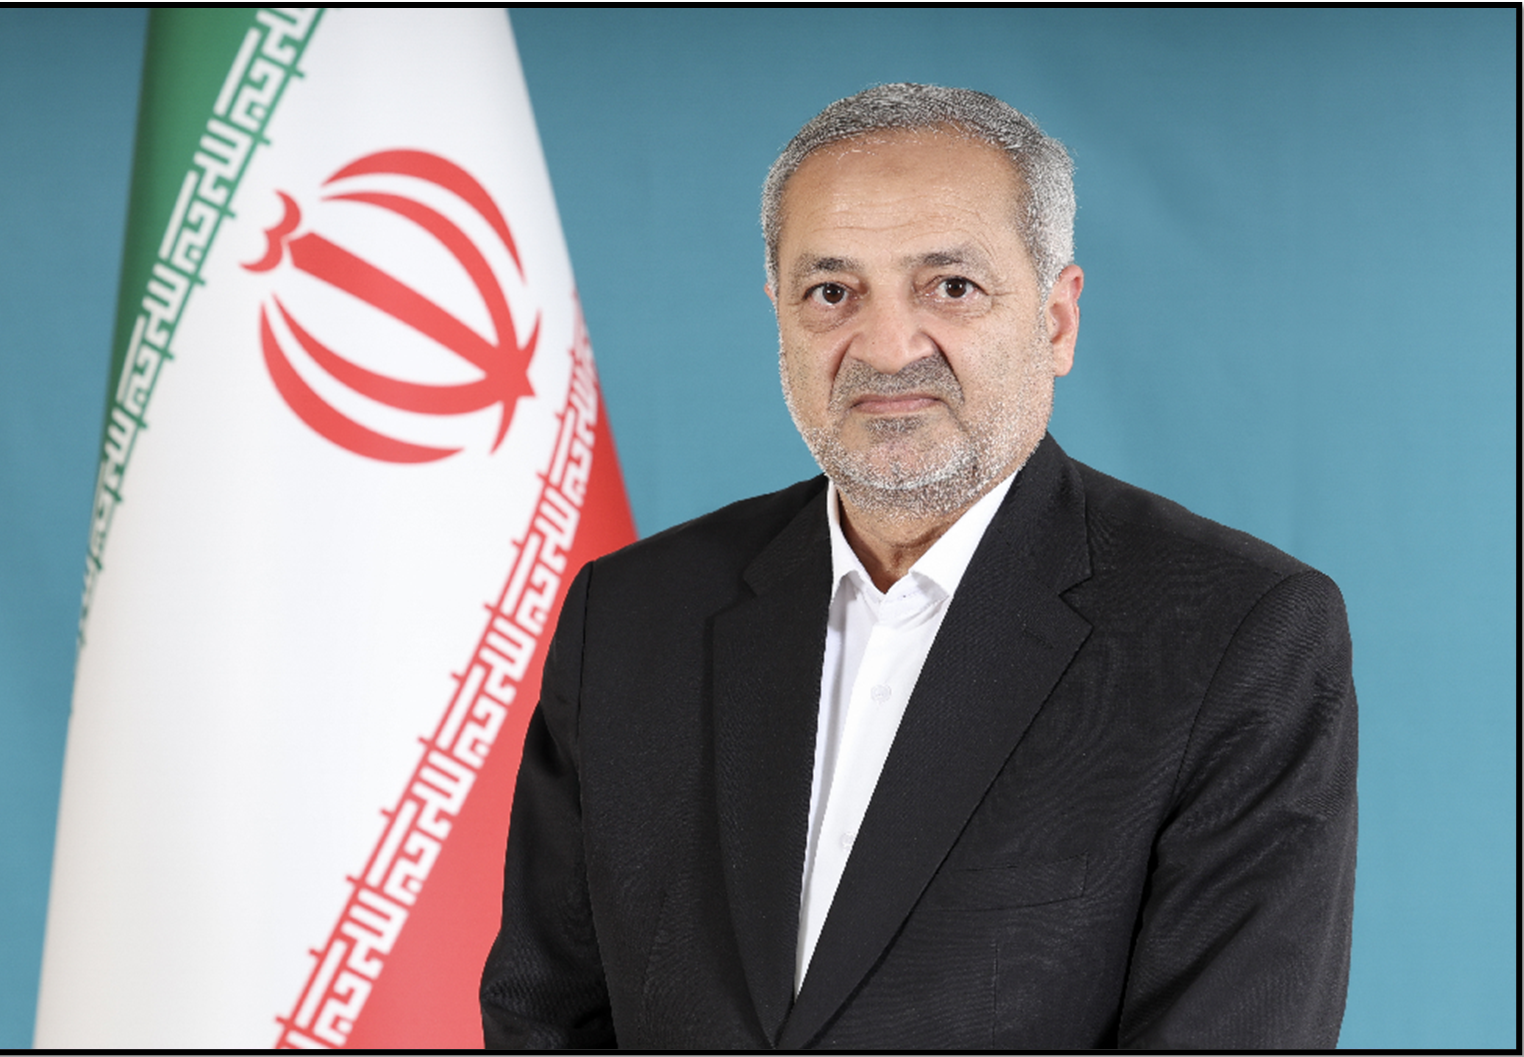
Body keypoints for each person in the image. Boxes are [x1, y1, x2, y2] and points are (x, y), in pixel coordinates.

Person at [480, 83, 1356, 1050]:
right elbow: (542, 1015)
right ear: (780, 317)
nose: (889, 348)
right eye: (832, 292)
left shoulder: (1236, 636)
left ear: (1057, 321)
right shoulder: (632, 614)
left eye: (951, 286)